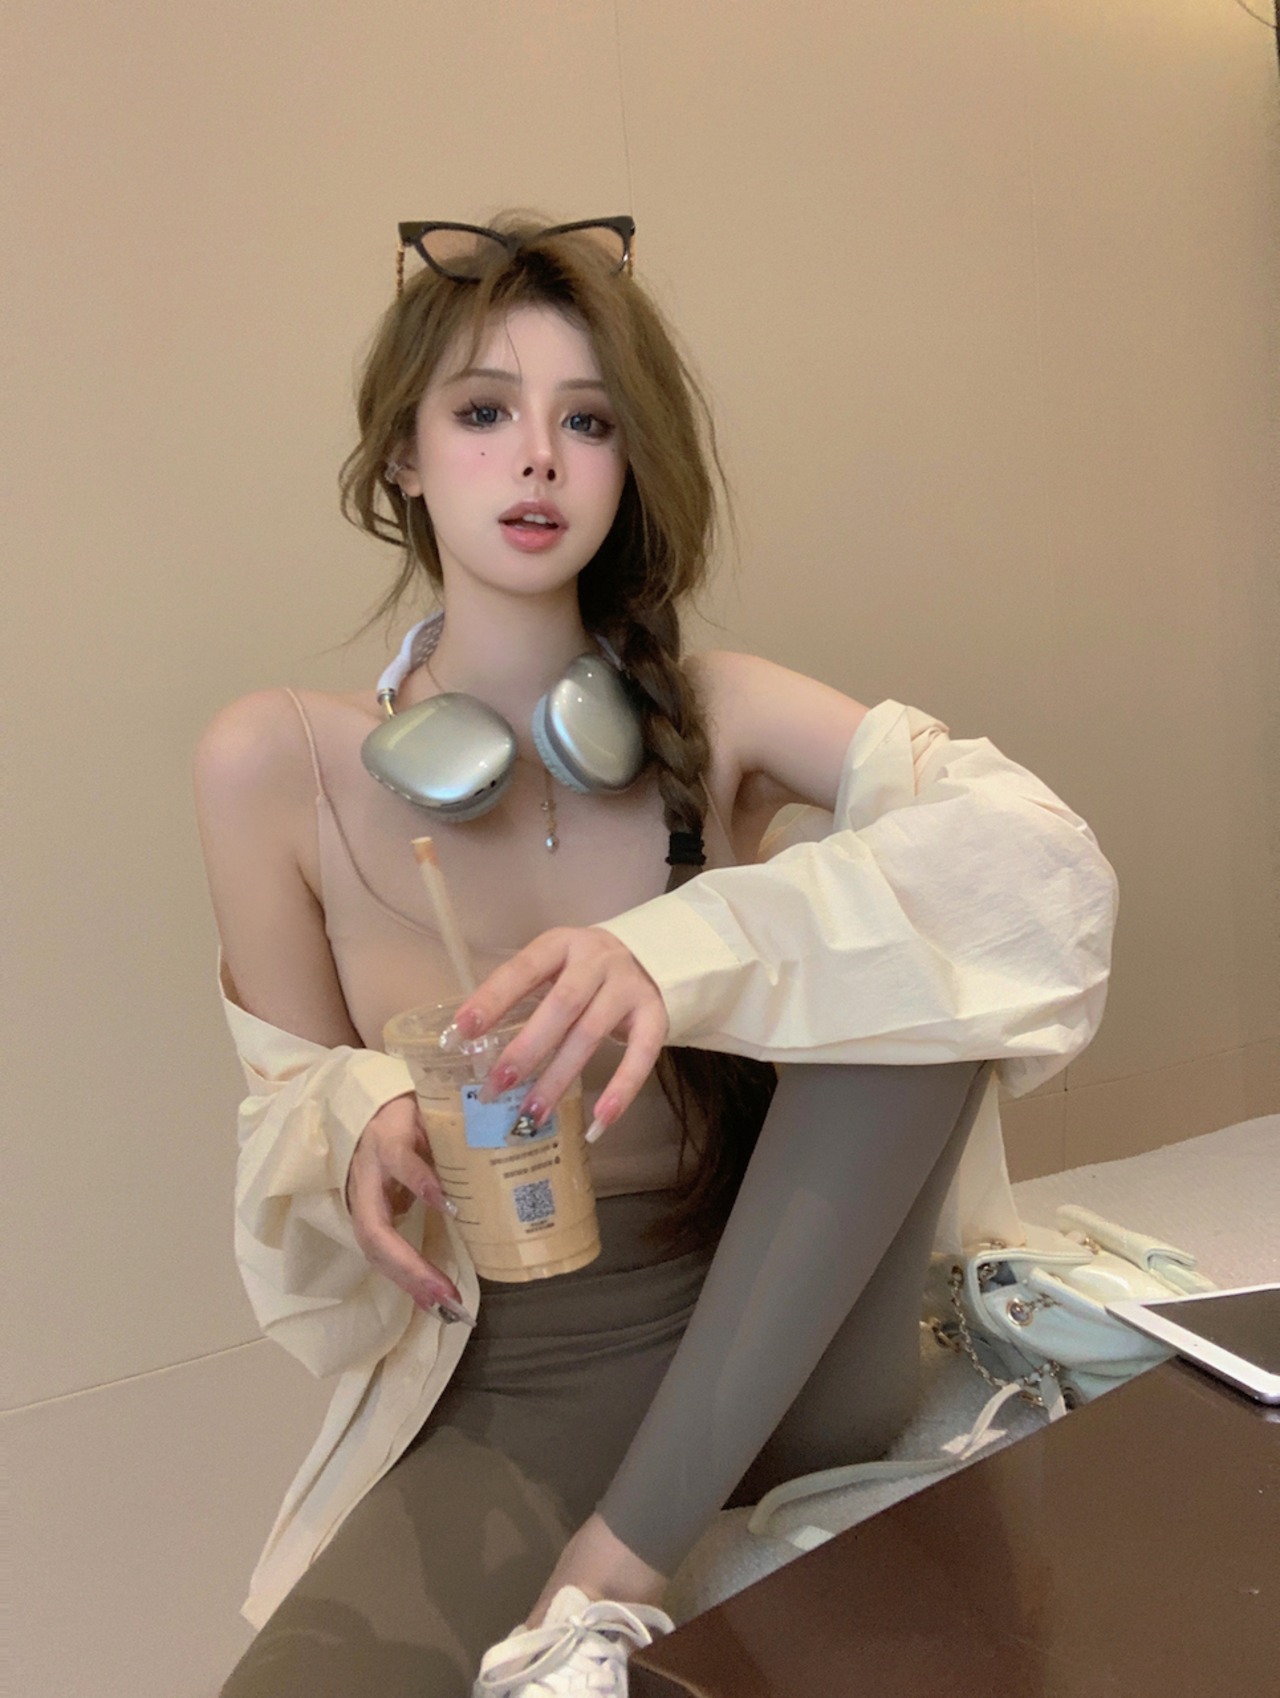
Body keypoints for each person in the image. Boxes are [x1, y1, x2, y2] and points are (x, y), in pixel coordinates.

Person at [194, 214, 1118, 1698]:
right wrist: (354, 1113)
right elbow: (285, 1103)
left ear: (628, 465)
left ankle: (610, 1576)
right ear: (406, 458)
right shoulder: (276, 765)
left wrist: (673, 949)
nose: (537, 458)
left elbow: (1034, 871)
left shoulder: (722, 710)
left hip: (788, 1327)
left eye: (587, 421)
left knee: (915, 938)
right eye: (483, 412)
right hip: (524, 1368)